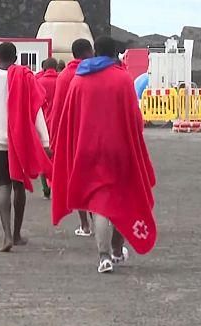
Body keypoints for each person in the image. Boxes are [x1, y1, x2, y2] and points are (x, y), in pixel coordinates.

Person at [51, 36, 156, 274]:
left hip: (87, 149)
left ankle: (104, 256)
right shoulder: (123, 79)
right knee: (121, 198)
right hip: (118, 148)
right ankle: (118, 251)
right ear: (114, 54)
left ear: (95, 52)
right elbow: (135, 119)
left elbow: (70, 118)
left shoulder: (79, 81)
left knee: (98, 203)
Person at [0, 42, 52, 252]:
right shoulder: (26, 77)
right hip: (19, 139)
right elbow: (36, 109)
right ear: (16, 57)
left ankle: (7, 236)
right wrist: (45, 141)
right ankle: (18, 234)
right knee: (18, 185)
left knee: (3, 185)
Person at [49, 39, 95, 236]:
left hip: (72, 137)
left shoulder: (65, 75)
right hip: (94, 135)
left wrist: (55, 138)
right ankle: (101, 218)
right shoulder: (95, 73)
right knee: (96, 181)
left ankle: (85, 224)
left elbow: (58, 109)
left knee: (78, 181)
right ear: (87, 53)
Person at [37, 57, 59, 199]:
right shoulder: (61, 81)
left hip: (43, 124)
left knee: (43, 156)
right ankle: (56, 184)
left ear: (44, 68)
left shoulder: (38, 82)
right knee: (58, 157)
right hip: (58, 123)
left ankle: (45, 187)